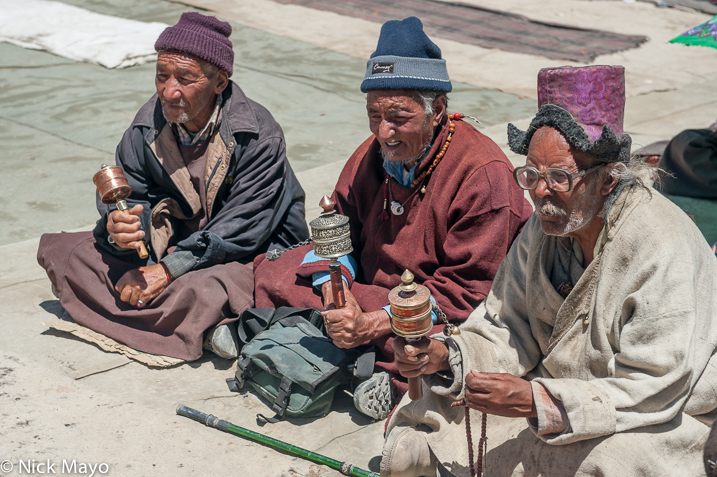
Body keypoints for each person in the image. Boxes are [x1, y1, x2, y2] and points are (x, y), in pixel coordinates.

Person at [384, 65, 717, 477]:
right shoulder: (543, 230)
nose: (540, 192)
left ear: (609, 180)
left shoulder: (661, 244)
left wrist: (535, 402)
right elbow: (503, 323)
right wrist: (446, 356)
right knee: (441, 388)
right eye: (531, 175)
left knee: (615, 461)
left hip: (654, 409)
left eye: (559, 177)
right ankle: (437, 450)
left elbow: (654, 385)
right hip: (557, 383)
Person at [253, 17, 531, 420]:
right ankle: (355, 349)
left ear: (436, 110)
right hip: (367, 290)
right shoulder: (374, 153)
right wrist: (338, 289)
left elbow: (469, 291)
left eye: (399, 117)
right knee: (278, 270)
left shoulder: (482, 173)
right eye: (374, 116)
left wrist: (374, 322)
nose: (384, 132)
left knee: (437, 342)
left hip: (434, 304)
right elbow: (338, 233)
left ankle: (380, 367)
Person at [37, 12, 308, 361]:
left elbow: (242, 228)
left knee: (209, 287)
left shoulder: (257, 135)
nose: (169, 90)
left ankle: (169, 312)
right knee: (68, 252)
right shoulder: (145, 128)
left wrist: (167, 270)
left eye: (185, 79)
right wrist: (120, 229)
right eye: (161, 76)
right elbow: (132, 196)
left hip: (242, 251)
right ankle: (200, 327)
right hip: (174, 244)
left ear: (220, 82)